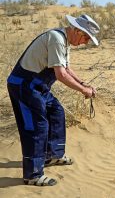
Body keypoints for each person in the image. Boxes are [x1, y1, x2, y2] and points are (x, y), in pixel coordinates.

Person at [7, 14, 100, 186]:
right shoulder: (56, 38)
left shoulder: (64, 41)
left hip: (39, 86)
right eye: (86, 37)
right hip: (24, 85)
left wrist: (84, 84)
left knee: (56, 111)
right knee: (36, 126)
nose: (86, 42)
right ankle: (33, 174)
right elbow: (61, 74)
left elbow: (66, 68)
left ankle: (53, 155)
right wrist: (83, 90)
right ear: (78, 31)